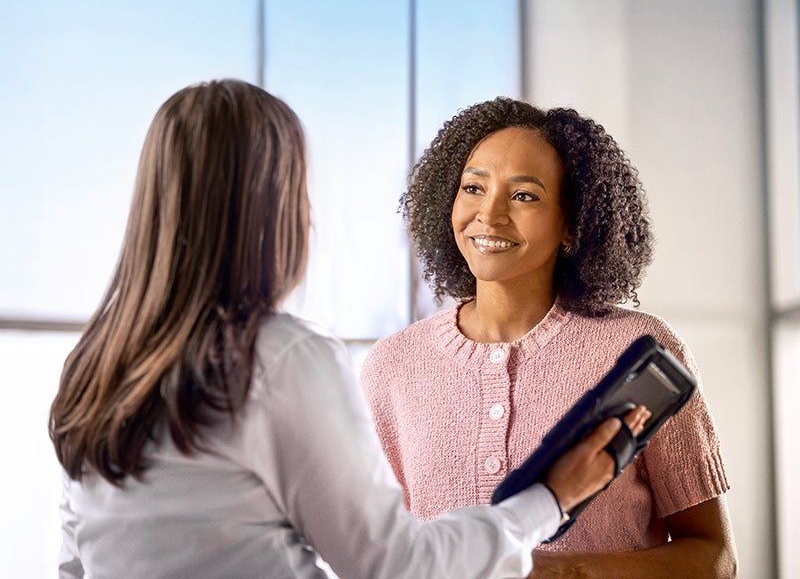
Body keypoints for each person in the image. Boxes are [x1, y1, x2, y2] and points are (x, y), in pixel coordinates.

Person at [48, 80, 651, 579]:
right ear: (272, 205)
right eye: (298, 187)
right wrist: (549, 500)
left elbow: (75, 567)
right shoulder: (288, 359)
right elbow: (394, 563)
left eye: (524, 195)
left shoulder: (95, 369)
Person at [361, 97, 739, 578]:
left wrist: (565, 572)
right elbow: (379, 556)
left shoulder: (638, 349)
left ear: (571, 225)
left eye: (524, 196)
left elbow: (715, 559)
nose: (489, 214)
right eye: (473, 187)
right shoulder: (393, 364)